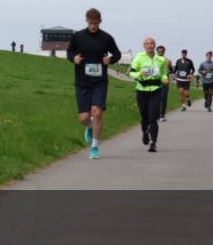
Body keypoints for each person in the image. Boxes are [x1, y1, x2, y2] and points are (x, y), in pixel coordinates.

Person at [65, 8, 122, 159]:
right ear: (86, 21)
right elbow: (69, 52)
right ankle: (90, 127)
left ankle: (94, 148)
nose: (92, 26)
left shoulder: (106, 38)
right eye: (90, 23)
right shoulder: (78, 36)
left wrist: (110, 59)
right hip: (82, 82)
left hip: (100, 82)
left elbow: (117, 54)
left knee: (97, 112)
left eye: (95, 23)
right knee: (84, 118)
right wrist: (73, 59)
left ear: (100, 22)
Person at [128, 37, 170, 152]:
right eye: (147, 44)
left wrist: (165, 79)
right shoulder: (139, 57)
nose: (150, 45)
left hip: (156, 90)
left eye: (152, 44)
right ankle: (145, 132)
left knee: (153, 117)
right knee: (144, 117)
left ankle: (153, 143)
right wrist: (139, 74)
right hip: (142, 90)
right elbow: (131, 73)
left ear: (154, 46)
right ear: (144, 46)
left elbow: (164, 74)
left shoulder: (161, 60)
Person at [156, 44, 173, 122]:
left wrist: (170, 66)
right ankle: (156, 114)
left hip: (165, 81)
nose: (160, 53)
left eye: (161, 52)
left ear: (164, 52)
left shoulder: (167, 60)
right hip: (155, 80)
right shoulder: (153, 59)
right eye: (159, 51)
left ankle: (162, 115)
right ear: (156, 52)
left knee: (163, 97)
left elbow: (171, 71)